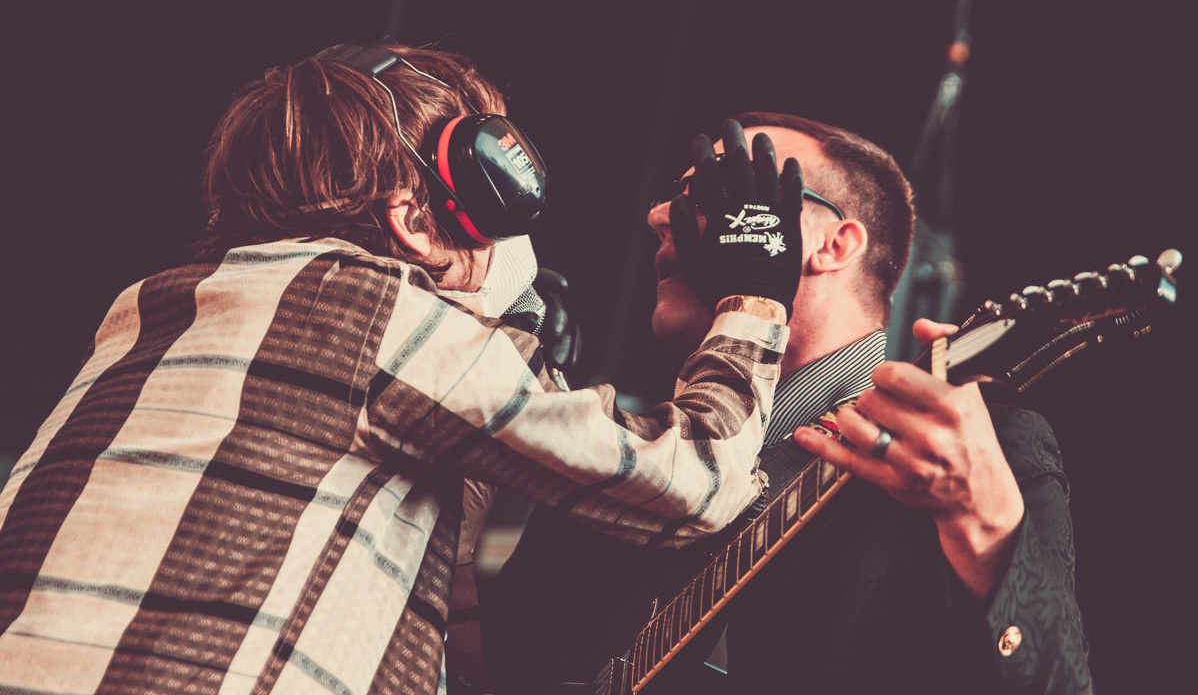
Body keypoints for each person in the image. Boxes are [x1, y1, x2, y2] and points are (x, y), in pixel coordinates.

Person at [0, 45, 804, 695]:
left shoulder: (151, 308)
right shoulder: (377, 310)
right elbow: (698, 482)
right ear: (416, 222)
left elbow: (435, 597)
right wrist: (756, 297)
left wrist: (505, 336)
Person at [486, 114, 1092, 694]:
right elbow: (494, 661)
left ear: (834, 244)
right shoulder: (635, 445)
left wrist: (985, 522)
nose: (658, 216)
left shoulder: (980, 449)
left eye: (720, 193)